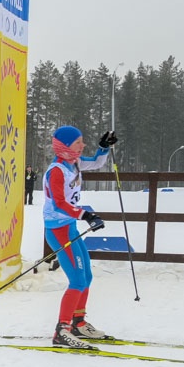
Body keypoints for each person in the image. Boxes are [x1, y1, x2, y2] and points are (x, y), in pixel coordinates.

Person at [42, 126, 117, 349]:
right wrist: (86, 215)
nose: (82, 146)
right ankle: (62, 330)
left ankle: (78, 322)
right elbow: (59, 203)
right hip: (58, 229)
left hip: (70, 226)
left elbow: (96, 163)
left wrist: (103, 148)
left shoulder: (73, 163)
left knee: (87, 276)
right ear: (64, 146)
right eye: (78, 143)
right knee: (77, 280)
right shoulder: (56, 170)